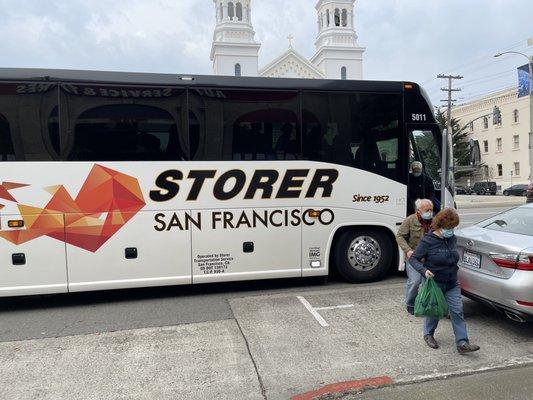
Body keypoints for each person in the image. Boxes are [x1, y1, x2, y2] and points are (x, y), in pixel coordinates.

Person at [410, 208, 480, 354]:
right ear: (440, 226)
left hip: (452, 282)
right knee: (435, 311)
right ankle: (428, 334)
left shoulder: (452, 238)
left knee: (457, 311)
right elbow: (413, 259)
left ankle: (462, 343)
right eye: (449, 228)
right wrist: (424, 271)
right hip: (435, 283)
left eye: (453, 228)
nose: (451, 231)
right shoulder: (428, 241)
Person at [396, 198, 434, 315]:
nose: (430, 212)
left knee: (428, 282)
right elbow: (400, 236)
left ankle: (426, 303)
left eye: (431, 210)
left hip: (429, 259)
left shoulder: (435, 221)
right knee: (415, 281)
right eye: (427, 210)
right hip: (414, 259)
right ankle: (410, 303)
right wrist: (407, 250)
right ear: (419, 211)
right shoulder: (410, 220)